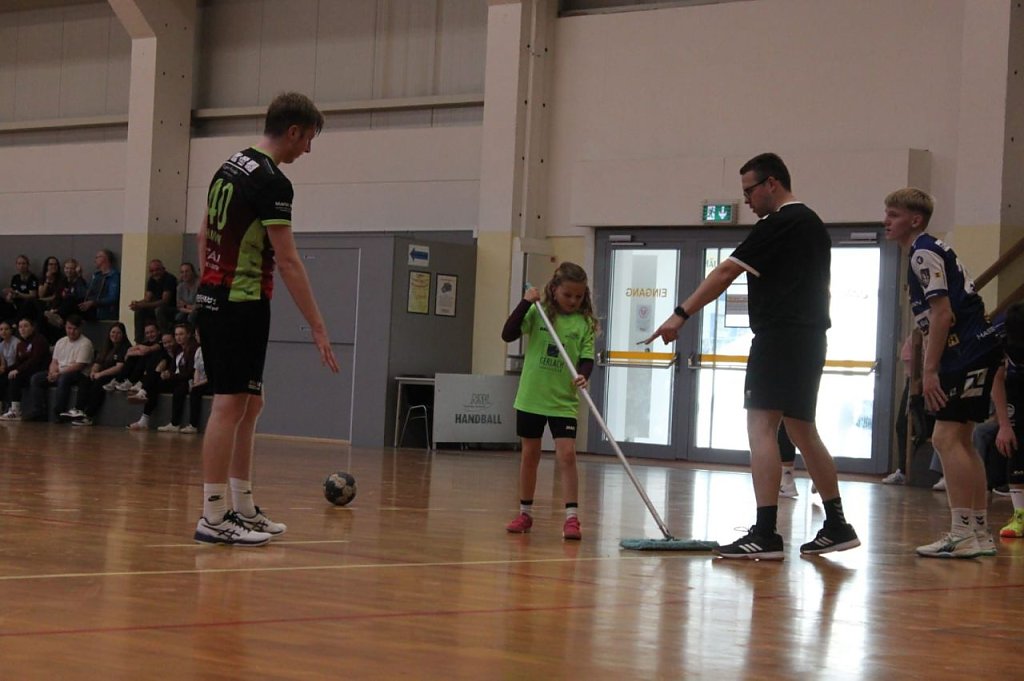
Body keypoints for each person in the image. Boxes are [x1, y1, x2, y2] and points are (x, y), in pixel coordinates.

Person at [645, 153, 860, 560]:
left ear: (771, 184)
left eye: (749, 191)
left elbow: (725, 272)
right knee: (802, 430)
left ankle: (765, 533)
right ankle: (837, 524)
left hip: (780, 338)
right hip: (810, 339)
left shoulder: (780, 223)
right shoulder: (813, 224)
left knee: (760, 428)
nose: (746, 200)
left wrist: (680, 315)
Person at [193, 91, 339, 547]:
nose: (308, 150)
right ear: (293, 131)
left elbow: (204, 232)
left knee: (251, 403)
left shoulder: (231, 165)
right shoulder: (273, 182)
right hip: (240, 302)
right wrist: (318, 326)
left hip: (219, 297)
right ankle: (213, 515)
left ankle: (243, 506)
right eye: (308, 139)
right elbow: (289, 260)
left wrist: (209, 282)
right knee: (229, 406)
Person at [883, 187, 1001, 558]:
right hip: (979, 346)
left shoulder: (922, 252)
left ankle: (961, 531)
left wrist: (930, 369)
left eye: (894, 215)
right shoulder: (932, 249)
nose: (886, 221)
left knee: (945, 438)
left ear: (915, 220)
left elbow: (942, 313)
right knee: (962, 440)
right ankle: (978, 531)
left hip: (963, 350)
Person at [501, 262, 596, 541]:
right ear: (554, 290)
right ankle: (525, 513)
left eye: (578, 296)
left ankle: (572, 518)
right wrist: (525, 302)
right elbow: (508, 333)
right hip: (532, 396)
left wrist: (583, 374)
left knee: (567, 455)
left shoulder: (584, 323)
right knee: (530, 454)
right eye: (568, 295)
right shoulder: (537, 312)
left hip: (563, 400)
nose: (573, 301)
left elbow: (587, 358)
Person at [990, 303, 1024, 538]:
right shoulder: (998, 331)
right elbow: (997, 377)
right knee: (1015, 443)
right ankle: (1020, 514)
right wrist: (1004, 425)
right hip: (1013, 384)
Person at [23, 314, 94, 422]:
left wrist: (59, 373)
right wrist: (52, 372)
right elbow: (54, 361)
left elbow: (79, 365)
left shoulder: (86, 343)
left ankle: (59, 412)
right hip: (59, 371)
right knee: (36, 378)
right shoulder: (61, 341)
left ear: (80, 328)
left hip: (77, 373)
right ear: (65, 327)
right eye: (69, 328)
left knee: (64, 378)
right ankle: (39, 410)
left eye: (75, 329)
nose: (71, 332)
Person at [68, 322, 131, 427]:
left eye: (118, 333)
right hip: (102, 373)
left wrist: (100, 374)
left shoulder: (125, 348)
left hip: (115, 376)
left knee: (98, 384)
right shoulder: (107, 346)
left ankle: (89, 416)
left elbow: (119, 368)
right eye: (113, 332)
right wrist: (93, 372)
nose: (115, 335)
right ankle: (79, 409)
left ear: (123, 335)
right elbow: (98, 362)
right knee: (85, 379)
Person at [126, 330, 182, 430]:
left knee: (152, 385)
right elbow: (159, 368)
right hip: (167, 379)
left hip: (180, 380)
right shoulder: (165, 353)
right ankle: (144, 419)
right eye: (165, 343)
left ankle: (143, 389)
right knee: (153, 386)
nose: (167, 345)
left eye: (170, 342)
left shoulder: (180, 351)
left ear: (175, 340)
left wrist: (169, 373)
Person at [0, 317, 50, 420]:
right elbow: (18, 363)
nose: (22, 329)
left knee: (15, 376)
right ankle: (5, 408)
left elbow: (34, 360)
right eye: (20, 327)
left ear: (32, 328)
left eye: (25, 326)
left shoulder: (39, 340)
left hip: (40, 370)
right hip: (27, 372)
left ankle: (16, 410)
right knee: (4, 375)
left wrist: (18, 370)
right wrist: (6, 370)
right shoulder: (21, 344)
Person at [161, 326, 208, 433]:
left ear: (188, 335)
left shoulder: (194, 349)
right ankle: (143, 393)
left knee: (182, 388)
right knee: (156, 379)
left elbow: (191, 371)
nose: (178, 337)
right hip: (179, 378)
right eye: (176, 335)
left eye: (181, 334)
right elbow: (174, 368)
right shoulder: (177, 349)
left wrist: (196, 382)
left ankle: (184, 424)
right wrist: (167, 373)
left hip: (191, 379)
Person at [129, 259, 178, 340]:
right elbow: (147, 299)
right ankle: (139, 340)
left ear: (163, 269)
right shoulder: (151, 280)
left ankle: (165, 337)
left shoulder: (169, 279)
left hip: (171, 308)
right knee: (139, 311)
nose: (155, 273)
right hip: (156, 307)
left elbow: (165, 301)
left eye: (157, 270)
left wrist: (143, 305)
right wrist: (137, 304)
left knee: (158, 310)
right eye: (152, 271)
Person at [44, 259, 89, 332]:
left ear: (76, 270)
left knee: (70, 298)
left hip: (75, 308)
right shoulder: (63, 281)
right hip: (62, 308)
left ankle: (58, 315)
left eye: (72, 268)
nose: (69, 271)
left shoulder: (80, 281)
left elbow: (82, 296)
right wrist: (53, 308)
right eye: (67, 268)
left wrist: (79, 276)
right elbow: (57, 296)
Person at [79, 249, 120, 321]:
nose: (95, 260)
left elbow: (113, 298)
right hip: (90, 307)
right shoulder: (96, 275)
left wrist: (93, 303)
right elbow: (86, 292)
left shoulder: (113, 276)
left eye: (97, 257)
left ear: (104, 259)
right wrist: (79, 277)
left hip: (101, 310)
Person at [2, 255, 39, 321]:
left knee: (27, 303)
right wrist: (9, 295)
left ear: (28, 265)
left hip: (26, 304)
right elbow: (12, 291)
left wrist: (19, 295)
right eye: (19, 264)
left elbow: (33, 295)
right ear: (16, 265)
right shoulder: (15, 278)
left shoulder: (32, 278)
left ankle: (16, 322)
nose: (21, 266)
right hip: (15, 303)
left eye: (23, 263)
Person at [0, 320, 19, 413]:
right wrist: (2, 368)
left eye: (6, 329)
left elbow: (18, 360)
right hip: (8, 369)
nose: (3, 331)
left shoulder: (16, 342)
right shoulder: (1, 345)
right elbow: (3, 363)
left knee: (7, 379)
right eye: (1, 329)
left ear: (11, 330)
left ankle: (13, 409)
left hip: (16, 367)